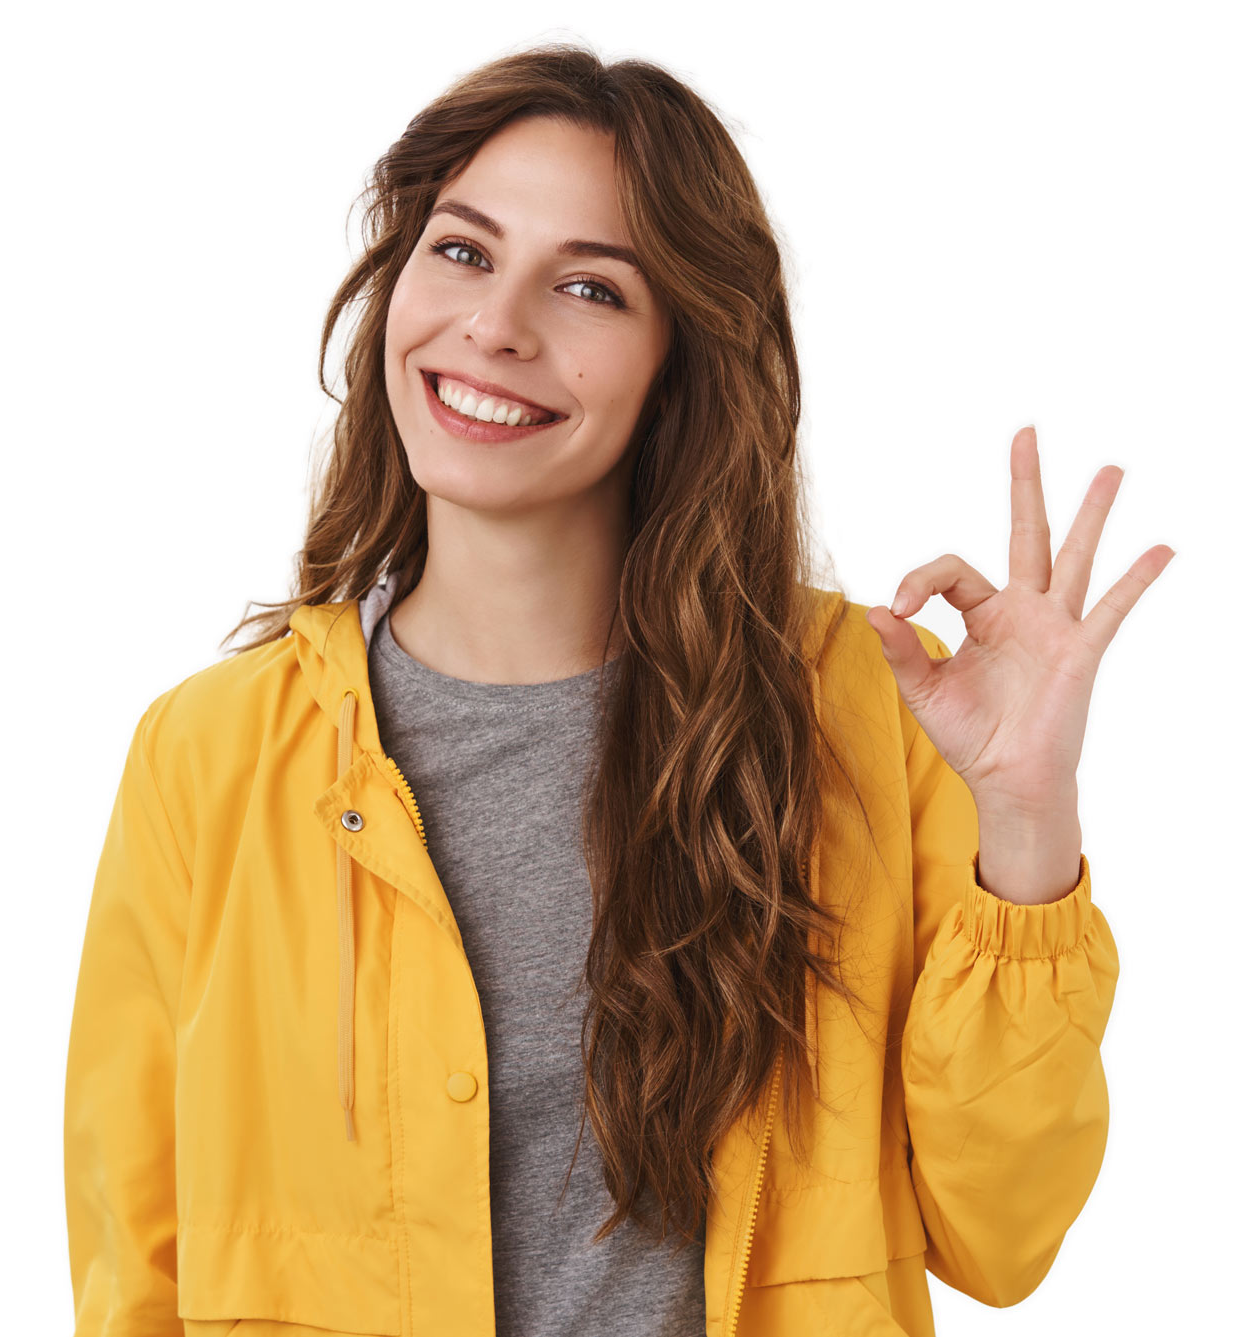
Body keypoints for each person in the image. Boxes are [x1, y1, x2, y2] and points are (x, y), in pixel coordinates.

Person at [65, 40, 1151, 1337]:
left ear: (678, 359)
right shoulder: (208, 754)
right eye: (463, 250)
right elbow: (137, 1272)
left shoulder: (860, 712)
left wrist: (1027, 825)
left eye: (589, 286)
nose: (497, 325)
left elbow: (1001, 1233)